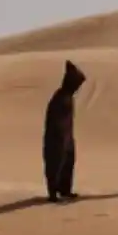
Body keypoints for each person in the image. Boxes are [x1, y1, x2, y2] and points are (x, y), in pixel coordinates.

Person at [42, 60, 87, 203]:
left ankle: (65, 190)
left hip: (66, 138)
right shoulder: (59, 98)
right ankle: (53, 194)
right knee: (55, 164)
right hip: (56, 139)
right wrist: (61, 138)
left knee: (68, 163)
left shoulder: (67, 97)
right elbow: (55, 122)